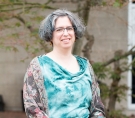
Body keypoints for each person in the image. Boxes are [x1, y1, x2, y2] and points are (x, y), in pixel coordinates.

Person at [23, 9, 106, 118]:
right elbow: (32, 107)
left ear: (75, 33)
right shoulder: (38, 66)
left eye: (69, 28)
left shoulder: (85, 66)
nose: (65, 33)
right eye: (59, 29)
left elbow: (97, 107)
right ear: (50, 35)